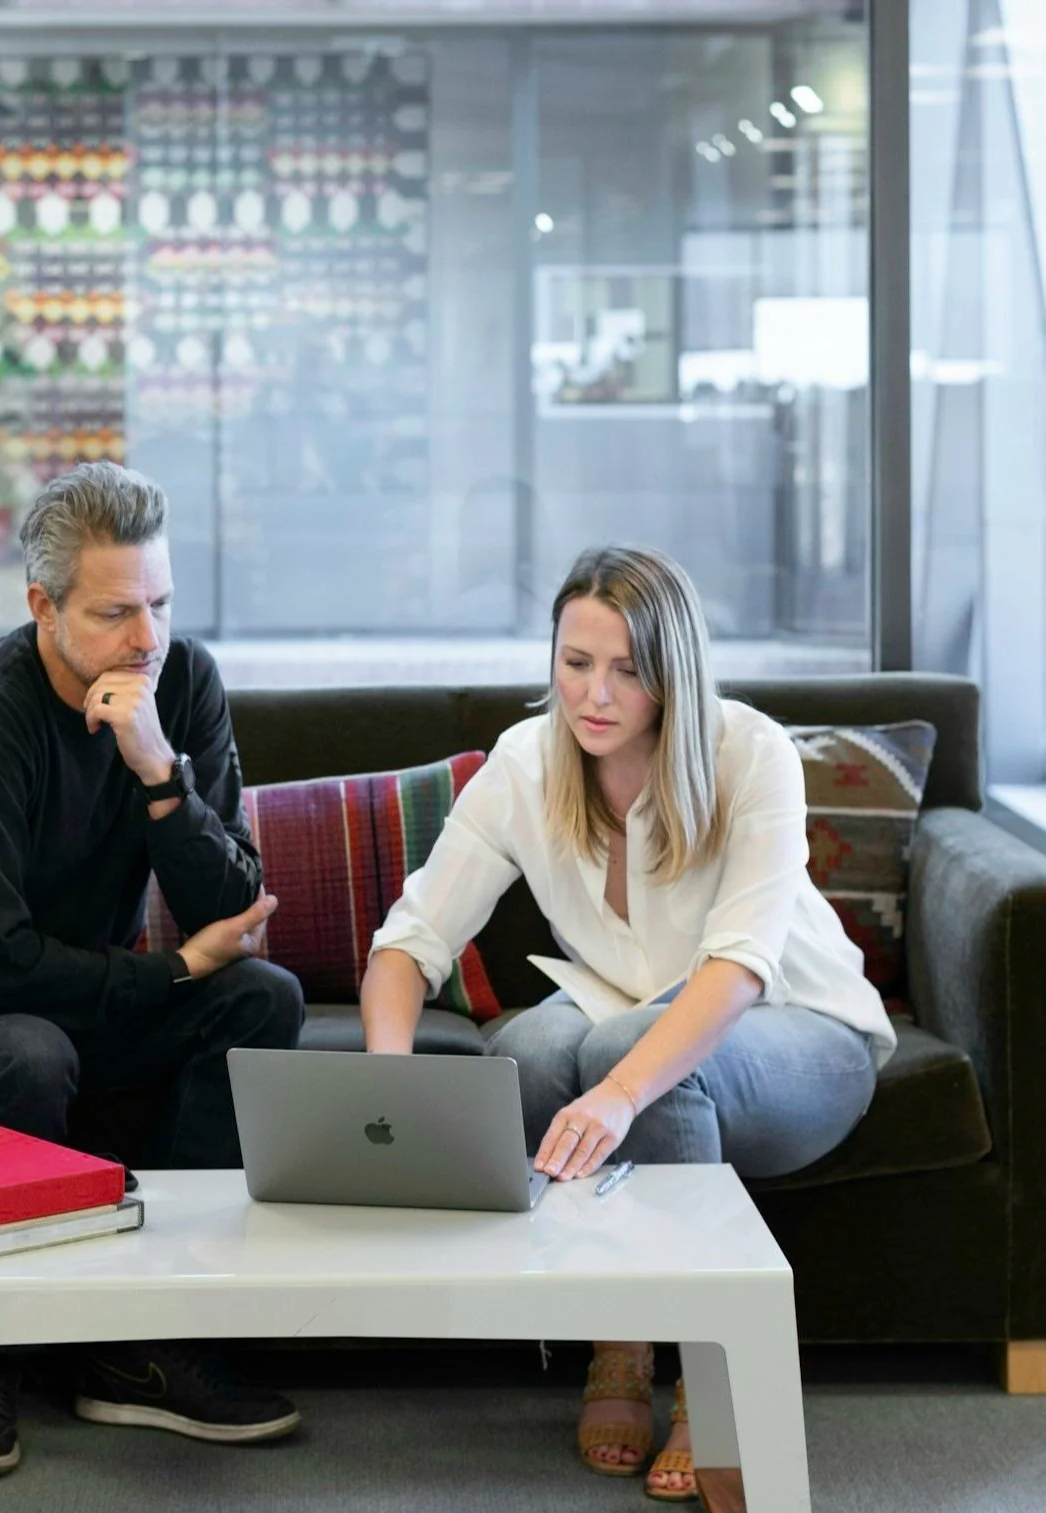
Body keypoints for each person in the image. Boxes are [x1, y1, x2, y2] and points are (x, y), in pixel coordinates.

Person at [0, 461, 307, 1480]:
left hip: (56, 1003)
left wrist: (161, 774)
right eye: (117, 612)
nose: (148, 638)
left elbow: (231, 910)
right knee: (23, 1054)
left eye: (161, 603)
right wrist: (166, 978)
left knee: (261, 1000)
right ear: (43, 604)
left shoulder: (183, 684)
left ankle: (145, 1343)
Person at [358, 545, 892, 1505]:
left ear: (672, 671)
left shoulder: (750, 752)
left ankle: (707, 1373)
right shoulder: (526, 763)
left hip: (801, 1025)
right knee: (520, 1048)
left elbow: (736, 967)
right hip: (624, 1005)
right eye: (575, 662)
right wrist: (387, 1089)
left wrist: (619, 1090)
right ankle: (621, 1329)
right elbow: (410, 942)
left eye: (627, 668)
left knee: (613, 1051)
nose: (594, 694)